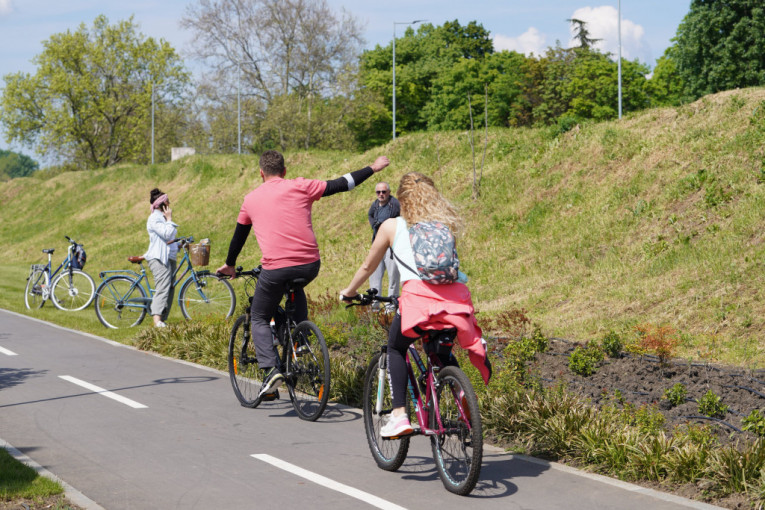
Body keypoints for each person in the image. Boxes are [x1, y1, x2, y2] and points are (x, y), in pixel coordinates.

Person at [217, 150, 390, 399]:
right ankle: (300, 339)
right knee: (294, 288)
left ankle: (270, 371)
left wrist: (230, 264)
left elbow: (239, 236)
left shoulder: (250, 199)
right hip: (309, 265)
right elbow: (342, 183)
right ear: (284, 171)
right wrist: (372, 168)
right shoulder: (301, 186)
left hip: (276, 269)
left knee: (259, 316)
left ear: (261, 173)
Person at [340, 172, 491, 438]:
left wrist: (349, 292)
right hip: (455, 303)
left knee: (396, 348)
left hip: (418, 303)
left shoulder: (391, 226)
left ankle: (399, 415)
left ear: (401, 199)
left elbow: (368, 266)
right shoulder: (445, 225)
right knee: (440, 349)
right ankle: (460, 390)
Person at [145, 188, 178, 328]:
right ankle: (157, 320)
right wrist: (169, 219)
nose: (169, 203)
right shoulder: (154, 218)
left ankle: (162, 320)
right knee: (163, 287)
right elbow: (166, 234)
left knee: (170, 288)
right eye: (167, 201)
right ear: (161, 204)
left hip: (169, 257)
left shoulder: (162, 218)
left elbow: (169, 240)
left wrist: (180, 244)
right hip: (159, 258)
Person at [367, 182, 400, 309]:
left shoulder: (395, 204)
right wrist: (374, 224)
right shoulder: (375, 204)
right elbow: (370, 214)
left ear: (389, 192)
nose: (381, 194)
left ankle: (391, 306)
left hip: (391, 247)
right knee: (374, 275)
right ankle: (375, 306)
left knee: (393, 277)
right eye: (378, 192)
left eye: (384, 192)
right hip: (377, 245)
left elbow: (402, 218)